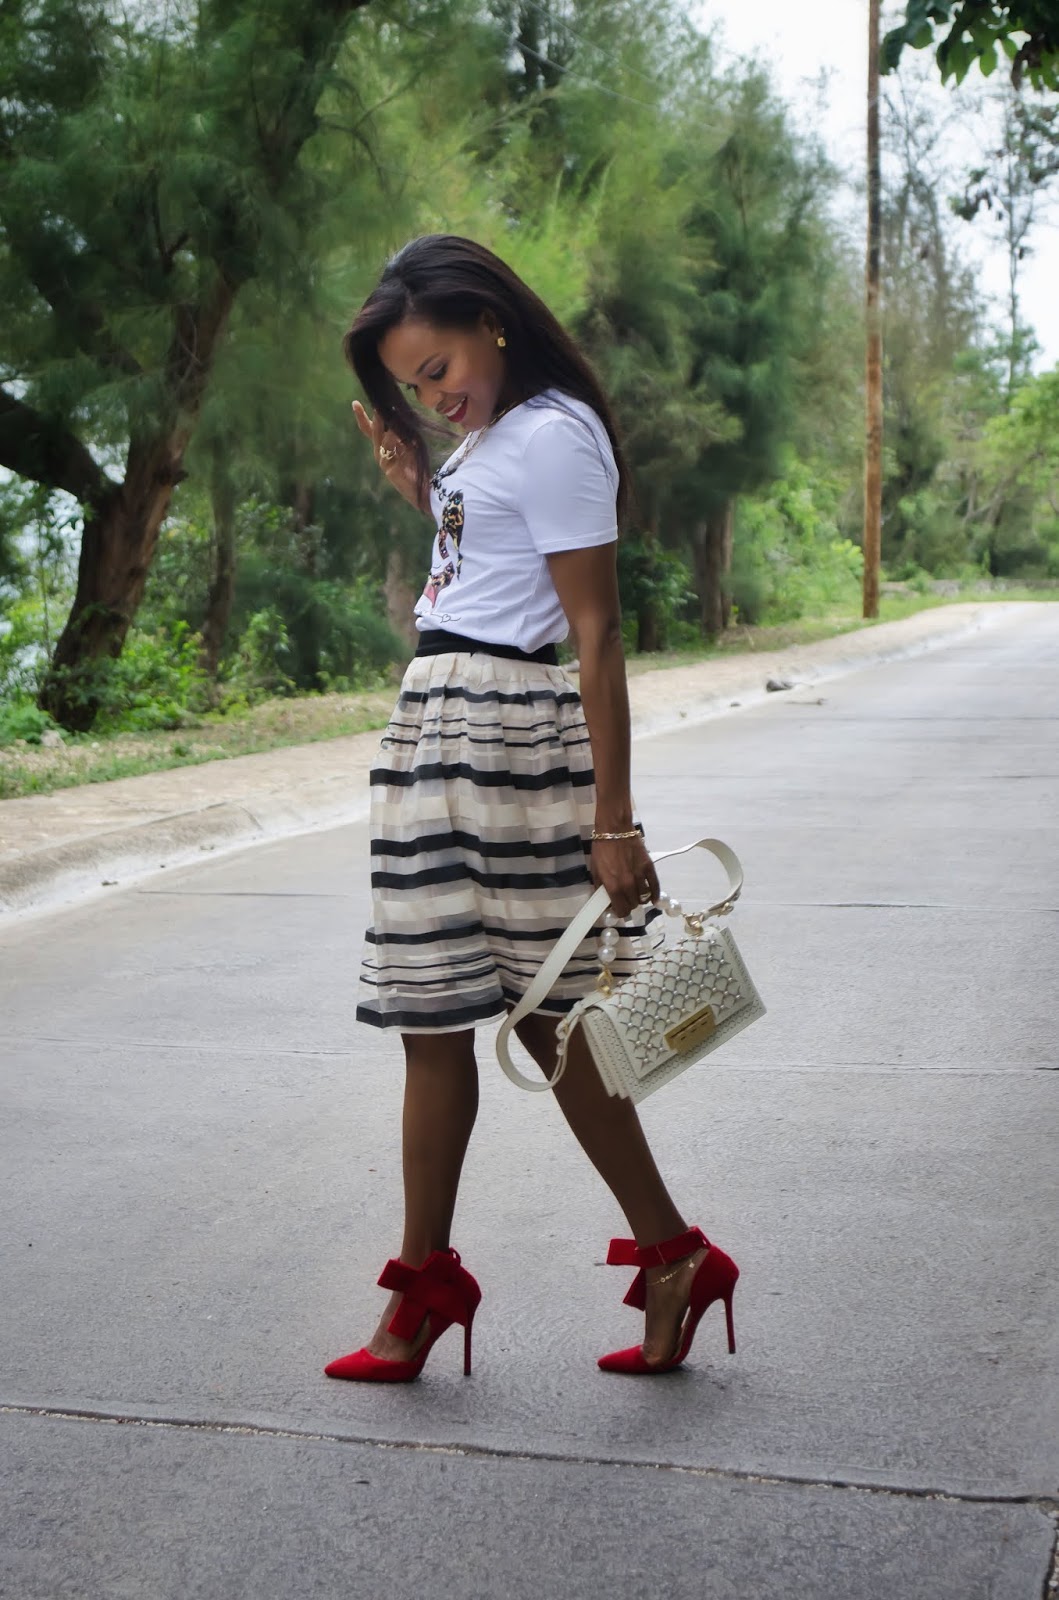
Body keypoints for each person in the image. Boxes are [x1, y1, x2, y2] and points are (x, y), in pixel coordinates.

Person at [324, 235, 738, 1384]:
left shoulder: (556, 433)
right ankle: (437, 1279)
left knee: (555, 1020)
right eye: (413, 385)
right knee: (431, 1011)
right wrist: (424, 489)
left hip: (506, 735)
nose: (434, 395)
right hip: (436, 729)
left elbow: (593, 631)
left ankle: (664, 1254)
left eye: (441, 367)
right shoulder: (487, 441)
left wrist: (617, 818)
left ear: (492, 322)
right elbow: (485, 570)